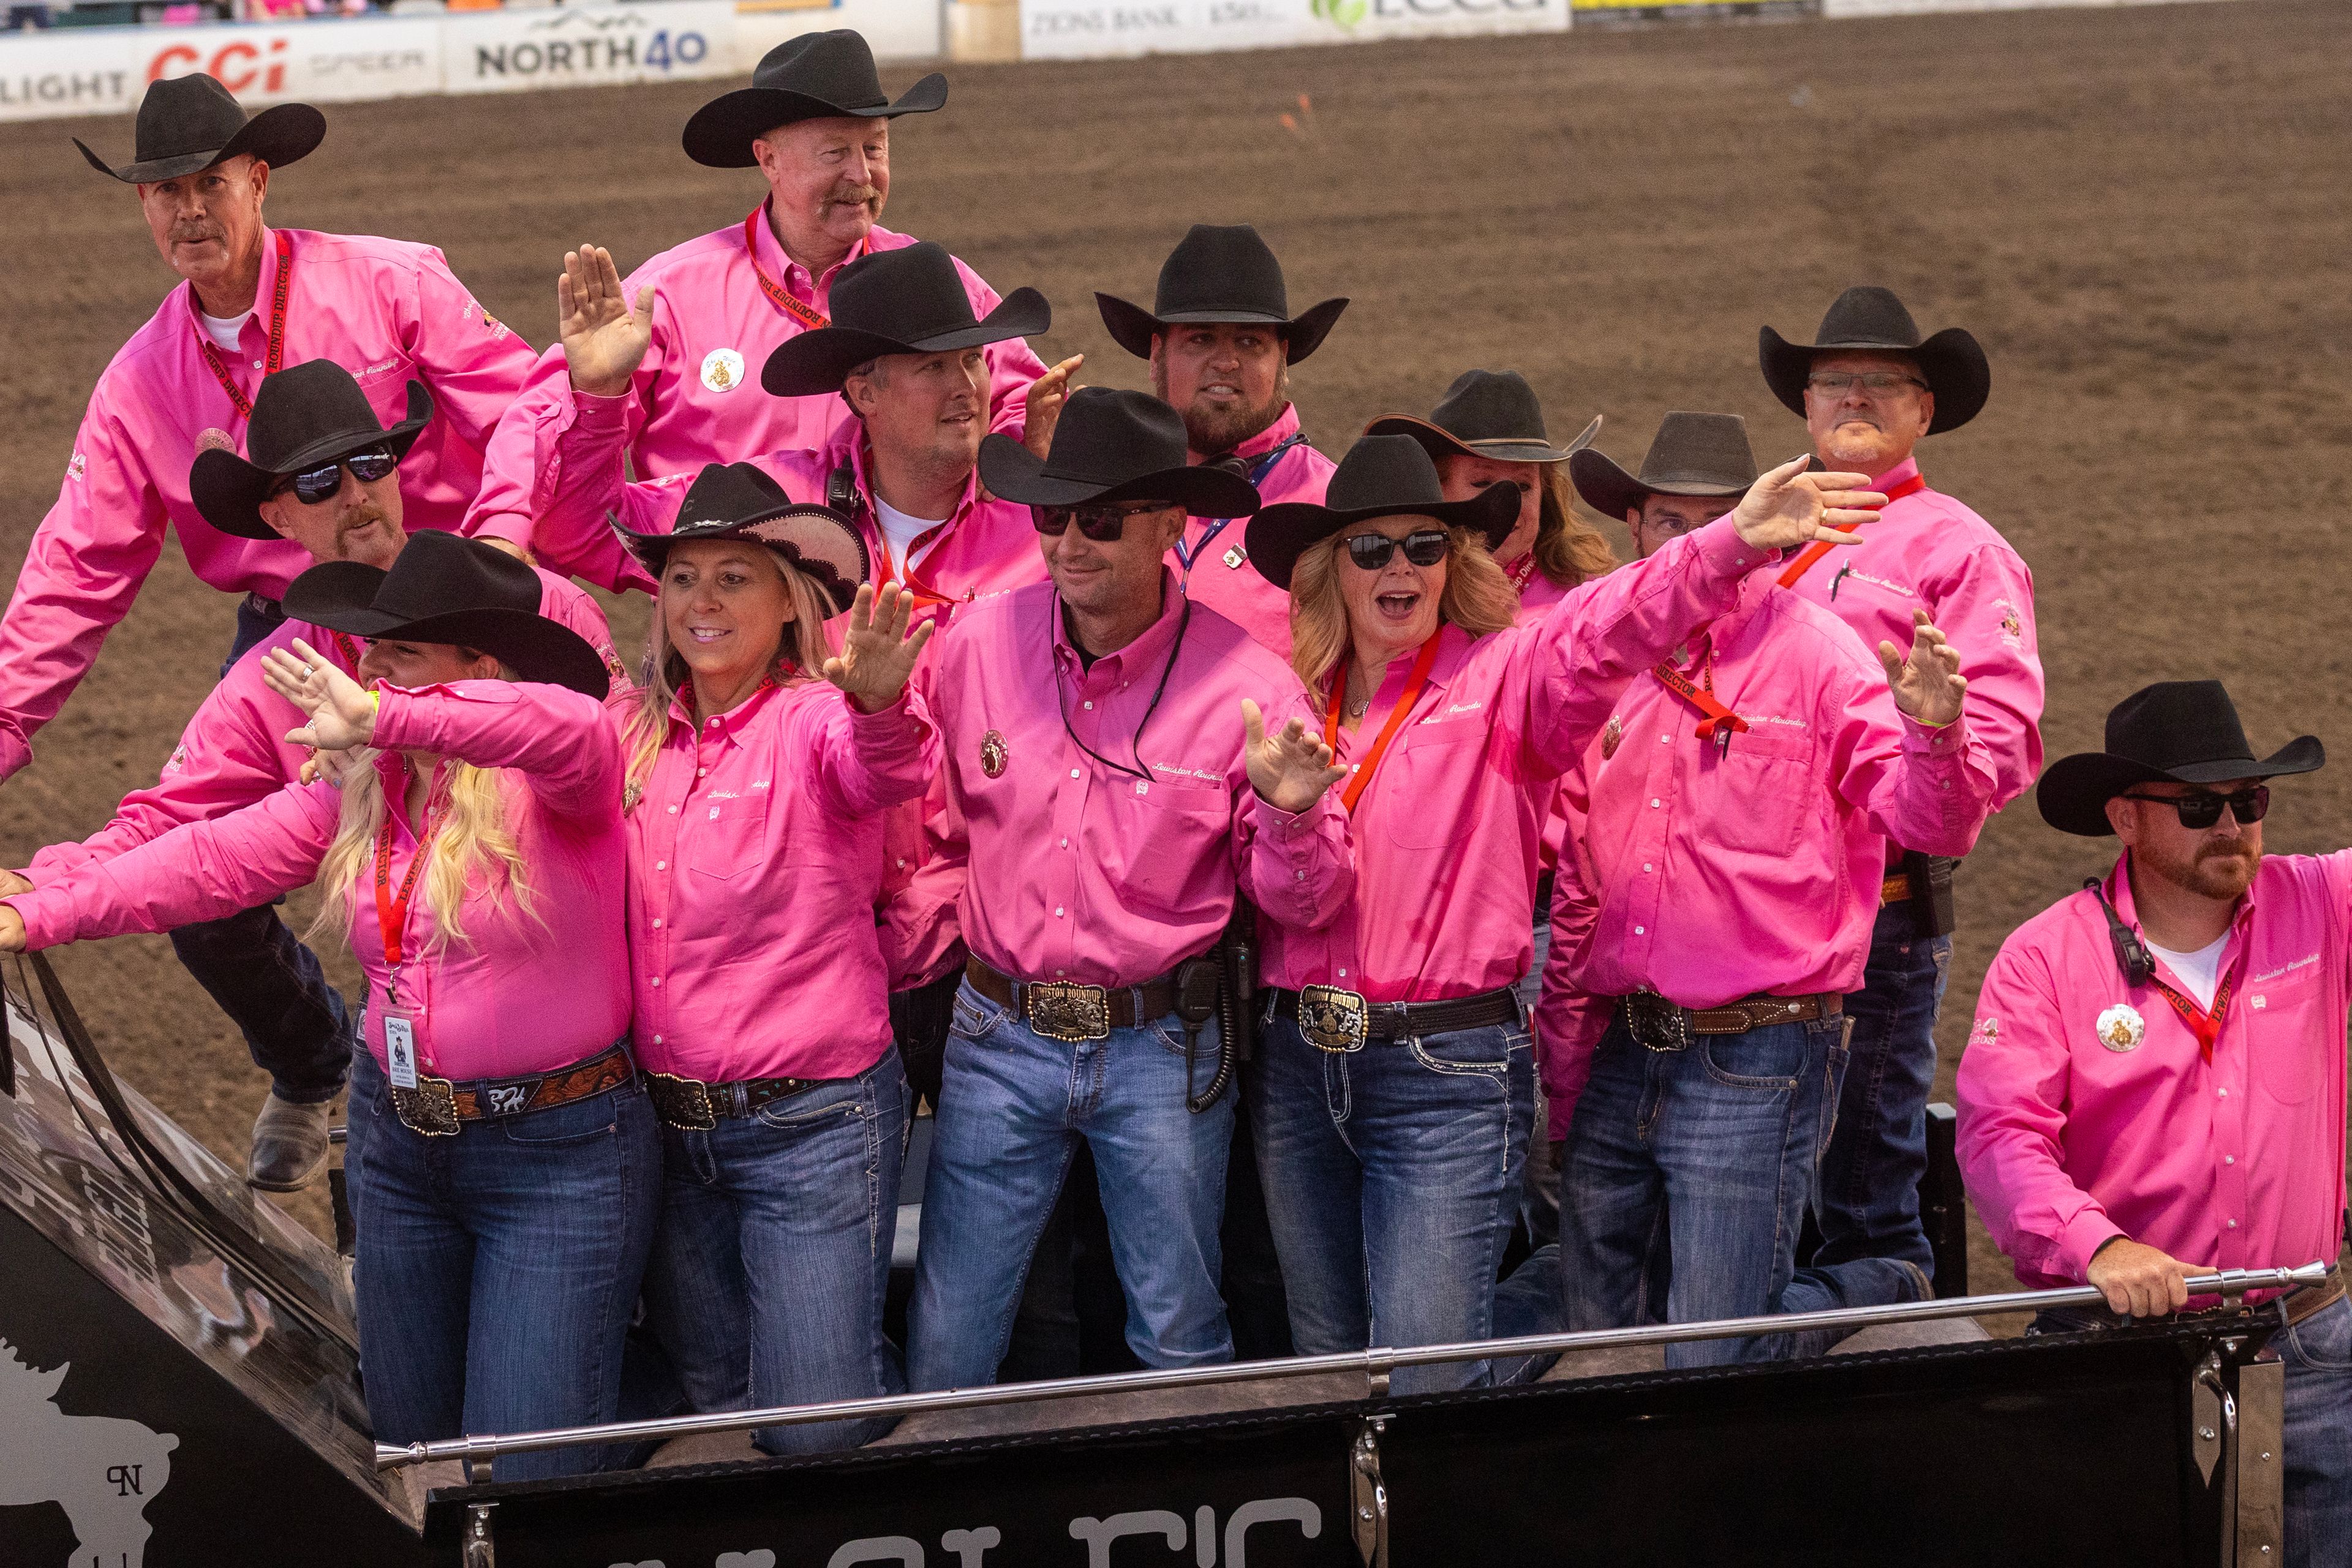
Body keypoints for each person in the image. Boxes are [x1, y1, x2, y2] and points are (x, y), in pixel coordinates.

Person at [1237, 432, 1886, 1392]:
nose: (1400, 566)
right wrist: (1290, 812)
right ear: (1332, 570)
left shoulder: (1511, 678)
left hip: (1440, 1071)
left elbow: (1609, 627)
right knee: (1332, 1367)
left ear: (1456, 563)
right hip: (1299, 1064)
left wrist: (1728, 545)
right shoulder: (1286, 705)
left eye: (1426, 544)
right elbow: (1297, 902)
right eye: (1370, 548)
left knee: (1428, 1383)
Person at [1, 537, 648, 1482]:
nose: (371, 669)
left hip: (558, 1159)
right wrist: (41, 904)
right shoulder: (365, 788)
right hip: (401, 1150)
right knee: (410, 1447)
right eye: (371, 653)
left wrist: (391, 713)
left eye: (403, 653)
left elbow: (563, 728)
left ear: (480, 667)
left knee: (529, 1475)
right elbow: (207, 860)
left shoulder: (564, 779)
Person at [0, 362, 619, 1190]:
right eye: (321, 482)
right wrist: (40, 892)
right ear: (278, 516)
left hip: (576, 1004)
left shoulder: (537, 605)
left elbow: (627, 765)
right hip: (420, 999)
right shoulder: (271, 680)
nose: (357, 494)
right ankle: (310, 1071)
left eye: (371, 465)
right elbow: (170, 827)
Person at [526, 238, 1057, 1098]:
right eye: (933, 366)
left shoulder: (1043, 536)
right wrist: (598, 398)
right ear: (862, 392)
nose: (967, 386)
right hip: (809, 957)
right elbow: (581, 531)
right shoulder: (771, 508)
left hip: (992, 954)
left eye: (974, 360)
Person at [903, 387, 1355, 1389]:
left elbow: (1303, 905)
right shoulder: (976, 644)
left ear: (1168, 527)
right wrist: (936, 960)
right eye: (1053, 518)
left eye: (1100, 522)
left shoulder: (1252, 690)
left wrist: (1288, 815)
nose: (1069, 545)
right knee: (951, 1334)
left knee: (1178, 1326)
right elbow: (930, 827)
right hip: (998, 1031)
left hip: (1160, 1044)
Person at [1540, 411, 1993, 1366]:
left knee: (1716, 1353)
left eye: (1728, 517)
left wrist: (1939, 737)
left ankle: (1880, 1281)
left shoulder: (1825, 658)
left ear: (1779, 527)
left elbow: (1930, 826)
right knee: (1595, 1331)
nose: (1705, 540)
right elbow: (1573, 859)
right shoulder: (1605, 654)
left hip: (1760, 1051)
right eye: (1675, 521)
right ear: (1636, 529)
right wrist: (1567, 1053)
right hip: (1624, 1038)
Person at [5, 73, 538, 788]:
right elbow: (77, 567)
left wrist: (507, 550)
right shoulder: (136, 386)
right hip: (292, 628)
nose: (190, 211)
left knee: (501, 827)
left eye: (211, 185)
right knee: (196, 849)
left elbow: (526, 419)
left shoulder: (392, 283)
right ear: (144, 205)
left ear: (258, 183)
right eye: (168, 191)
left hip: (444, 596)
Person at [1957, 681, 2348, 1567]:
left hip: (2311, 1340)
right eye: (2201, 806)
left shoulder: (2323, 901)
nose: (2233, 827)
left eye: (2248, 802)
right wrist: (2098, 1248)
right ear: (2125, 819)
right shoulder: (2044, 959)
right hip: (2126, 1349)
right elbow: (1998, 1137)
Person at [606, 462, 937, 1453]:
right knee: (719, 1398)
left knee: (808, 1432)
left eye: (734, 577)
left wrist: (880, 706)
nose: (701, 601)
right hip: (673, 1130)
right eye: (682, 577)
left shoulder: (815, 723)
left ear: (790, 607)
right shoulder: (635, 737)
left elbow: (881, 767)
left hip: (812, 1127)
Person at [465, 30, 1068, 569]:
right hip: (717, 616)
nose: (861, 173)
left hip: (904, 597)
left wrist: (1007, 451)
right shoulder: (670, 293)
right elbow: (540, 420)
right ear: (768, 159)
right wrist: (502, 533)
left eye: (876, 148)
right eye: (835, 152)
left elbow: (1021, 399)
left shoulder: (936, 283)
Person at [1758, 285, 2042, 1298]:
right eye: (1834, 379)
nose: (1854, 396)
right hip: (1750, 915)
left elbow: (2001, 741)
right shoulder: (1763, 532)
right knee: (1765, 1184)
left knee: (1861, 1188)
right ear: (1805, 405)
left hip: (1876, 910)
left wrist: (1928, 735)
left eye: (1884, 381)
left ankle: (1876, 1317)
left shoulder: (1959, 549)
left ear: (1927, 410)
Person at [1366, 368, 1616, 1246]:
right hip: (1442, 925)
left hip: (1558, 908)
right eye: (1483, 486)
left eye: (1525, 482)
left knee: (1551, 1155)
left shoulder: (1586, 609)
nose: (1509, 502)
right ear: (1441, 497)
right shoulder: (1406, 604)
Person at [1096, 224, 1343, 659]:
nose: (1226, 362)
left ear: (1282, 359)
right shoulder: (1101, 501)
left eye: (1250, 342)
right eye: (1201, 338)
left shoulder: (1336, 511)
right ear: (1157, 355)